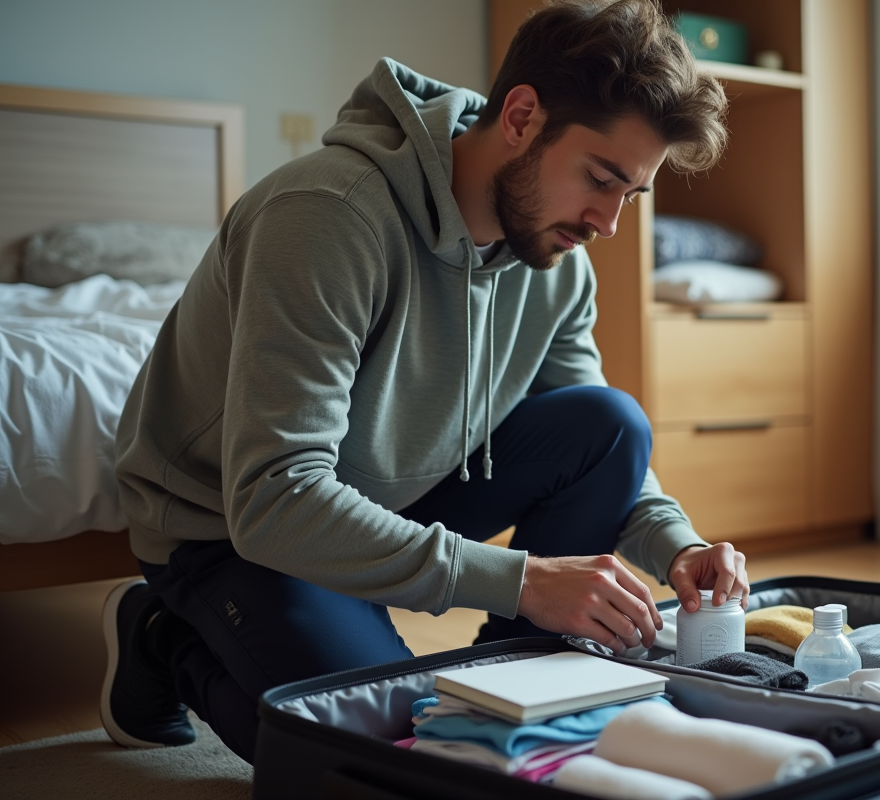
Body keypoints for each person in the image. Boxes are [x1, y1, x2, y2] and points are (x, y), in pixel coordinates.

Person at [105, 0, 746, 764]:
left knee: (612, 422)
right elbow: (274, 498)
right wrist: (521, 580)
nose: (608, 223)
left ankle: (513, 674)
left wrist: (678, 544)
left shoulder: (556, 261)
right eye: (601, 179)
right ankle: (161, 633)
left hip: (388, 500)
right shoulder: (326, 215)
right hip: (233, 530)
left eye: (630, 195)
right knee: (377, 754)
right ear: (520, 117)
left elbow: (600, 443)